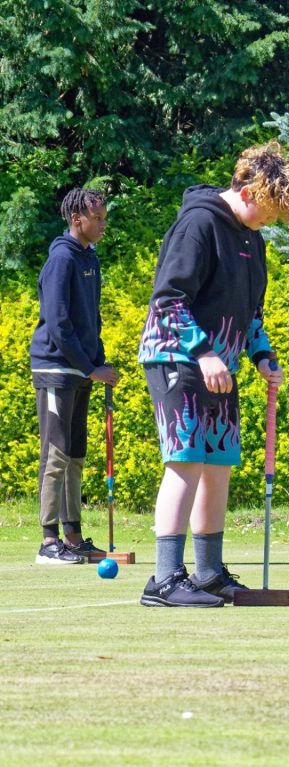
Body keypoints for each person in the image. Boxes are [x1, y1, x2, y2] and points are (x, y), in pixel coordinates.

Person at [137, 141, 289, 607]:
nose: (270, 222)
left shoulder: (251, 238)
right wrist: (205, 353)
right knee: (187, 459)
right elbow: (168, 299)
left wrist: (262, 355)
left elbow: (250, 312)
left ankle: (209, 573)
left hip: (222, 364)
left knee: (218, 464)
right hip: (178, 356)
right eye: (270, 211)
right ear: (250, 190)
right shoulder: (199, 225)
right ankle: (164, 580)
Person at [30, 188, 121, 564]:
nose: (103, 225)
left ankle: (73, 536)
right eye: (97, 219)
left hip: (81, 367)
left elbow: (91, 318)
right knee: (55, 452)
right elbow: (58, 322)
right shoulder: (61, 260)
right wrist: (90, 368)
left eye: (103, 218)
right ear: (76, 219)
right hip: (55, 368)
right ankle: (49, 542)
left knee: (76, 454)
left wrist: (98, 364)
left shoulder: (90, 258)